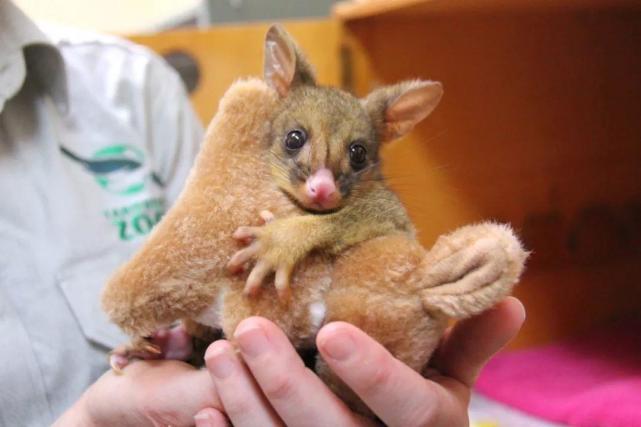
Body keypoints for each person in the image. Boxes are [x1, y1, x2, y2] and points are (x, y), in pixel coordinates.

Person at [0, 1, 525, 426]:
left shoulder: (135, 87)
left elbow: (216, 265)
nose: (322, 185)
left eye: (354, 158)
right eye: (298, 142)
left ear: (391, 128)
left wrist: (299, 236)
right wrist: (92, 417)